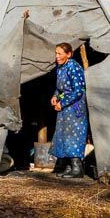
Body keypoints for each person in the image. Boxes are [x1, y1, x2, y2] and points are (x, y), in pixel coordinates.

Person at [49, 42, 88, 178]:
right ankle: (68, 166)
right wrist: (56, 96)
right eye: (56, 53)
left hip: (75, 106)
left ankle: (77, 168)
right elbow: (62, 90)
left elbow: (77, 90)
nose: (57, 56)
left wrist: (63, 102)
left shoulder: (74, 67)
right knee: (64, 134)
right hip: (65, 106)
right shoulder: (60, 68)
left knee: (74, 134)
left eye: (60, 53)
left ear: (69, 54)